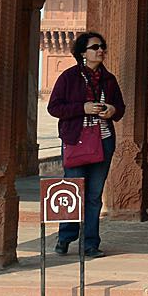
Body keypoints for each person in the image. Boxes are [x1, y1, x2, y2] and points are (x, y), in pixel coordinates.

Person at [47, 31, 125, 258]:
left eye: (102, 46)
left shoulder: (108, 80)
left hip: (103, 141)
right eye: (95, 47)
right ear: (83, 53)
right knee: (72, 191)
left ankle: (90, 243)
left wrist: (112, 111)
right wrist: (82, 108)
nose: (100, 50)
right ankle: (65, 237)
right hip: (77, 141)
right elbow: (54, 108)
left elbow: (120, 108)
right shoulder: (69, 77)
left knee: (94, 195)